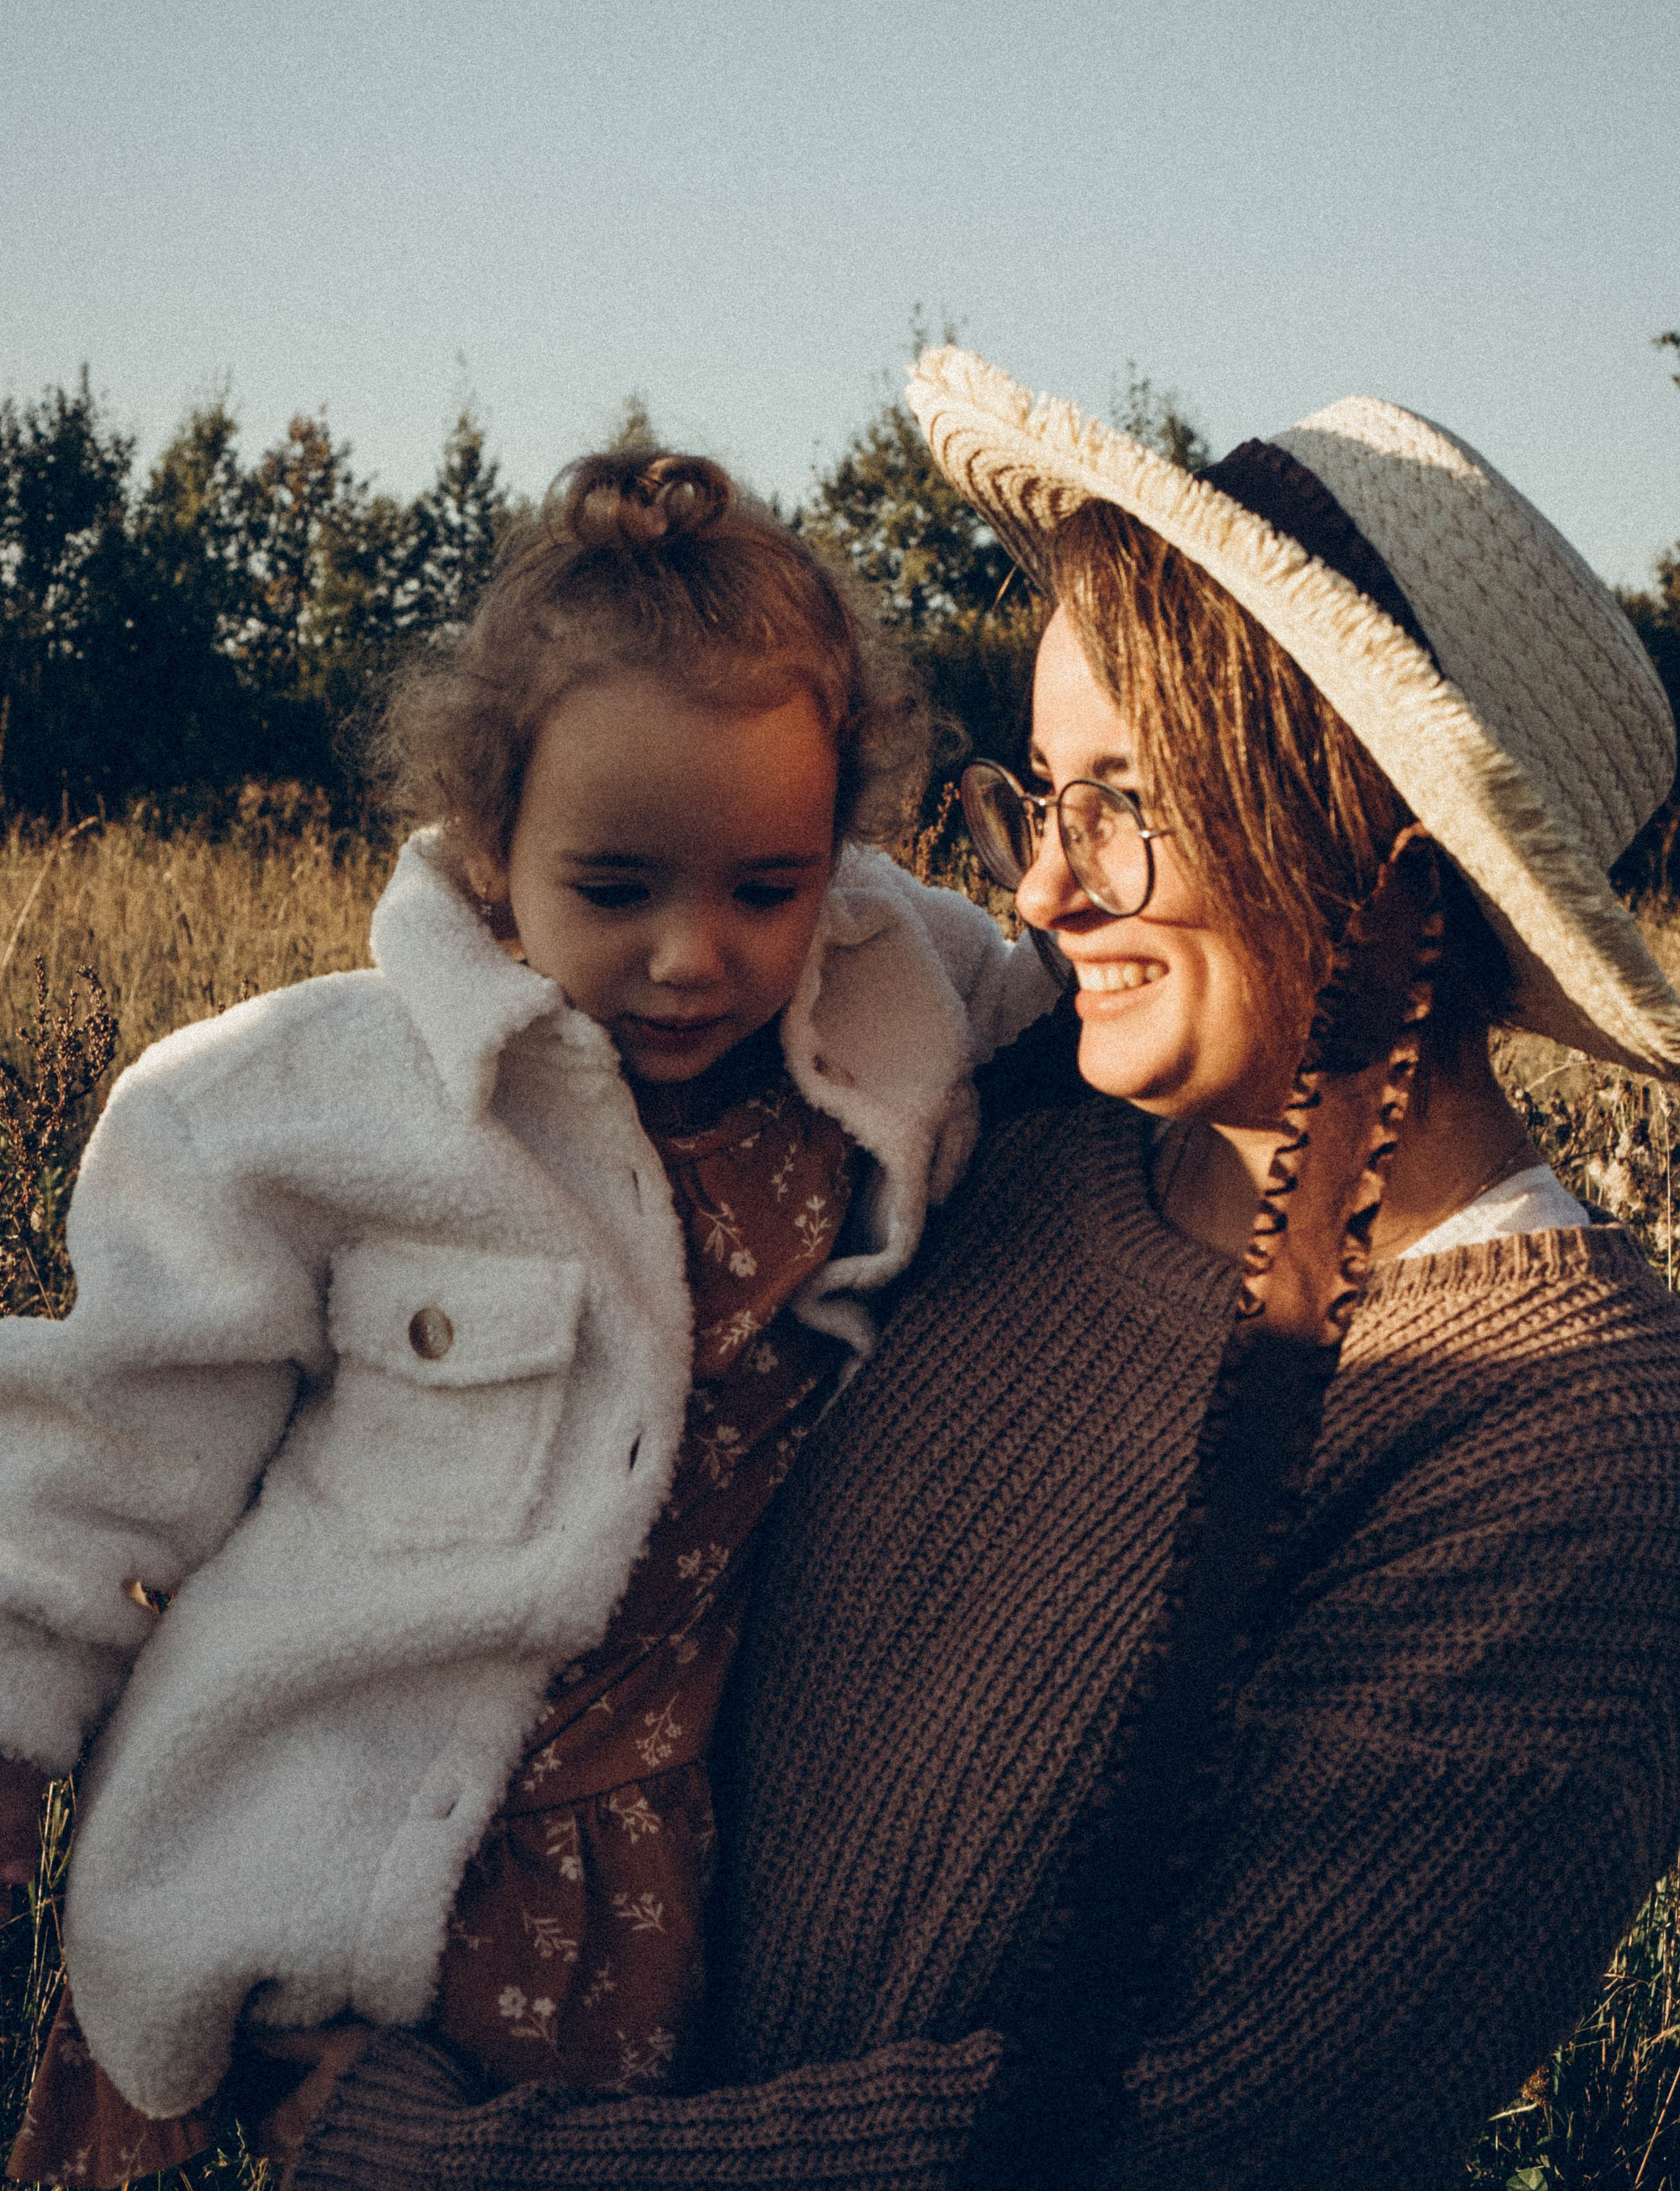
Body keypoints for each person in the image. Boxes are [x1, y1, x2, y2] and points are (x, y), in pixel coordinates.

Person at [282, 352, 1680, 2191]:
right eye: (1044, 796)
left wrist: (436, 2162)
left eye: (1129, 804)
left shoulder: (1565, 1442)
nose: (1046, 894)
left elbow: (1208, 2128)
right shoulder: (998, 1125)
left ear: (1380, 845)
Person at [0, 446, 1052, 2188]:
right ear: (495, 846)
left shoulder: (900, 1003)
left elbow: (1086, 1013)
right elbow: (109, 1442)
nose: (695, 957)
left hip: (650, 1893)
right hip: (301, 1848)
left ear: (841, 854)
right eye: (618, 889)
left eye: (766, 888)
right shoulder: (323, 1104)